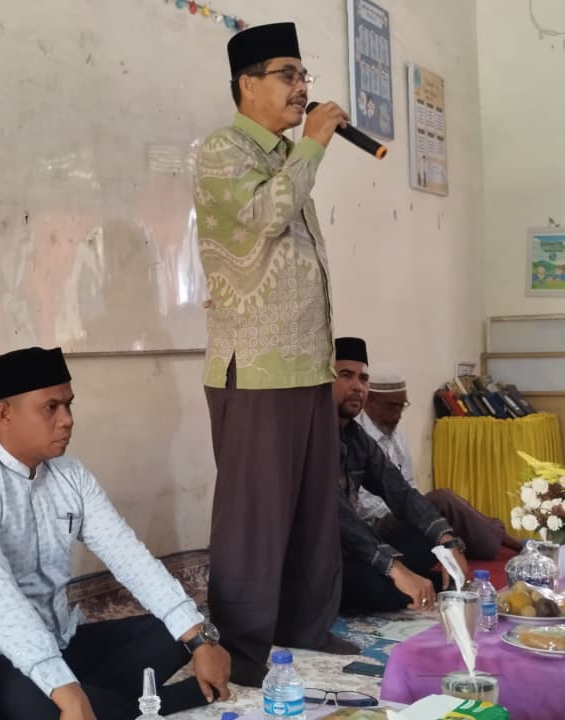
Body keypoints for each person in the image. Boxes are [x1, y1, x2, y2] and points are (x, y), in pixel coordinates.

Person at [0, 347, 231, 720]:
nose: (67, 420)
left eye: (68, 405)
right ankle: (164, 700)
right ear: (4, 413)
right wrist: (61, 687)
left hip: (61, 642)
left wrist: (199, 637)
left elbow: (128, 556)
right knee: (40, 705)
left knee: (174, 634)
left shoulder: (70, 475)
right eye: (50, 407)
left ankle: (98, 703)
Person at [193, 21, 357, 685]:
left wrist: (302, 149)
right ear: (247, 84)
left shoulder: (287, 156)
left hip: (306, 364)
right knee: (254, 524)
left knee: (314, 515)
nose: (301, 88)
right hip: (255, 368)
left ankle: (307, 635)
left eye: (302, 75)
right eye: (287, 75)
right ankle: (245, 653)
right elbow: (266, 216)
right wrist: (313, 145)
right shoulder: (223, 150)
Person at [331, 338, 470, 615]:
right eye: (346, 375)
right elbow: (340, 519)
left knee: (428, 537)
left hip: (356, 551)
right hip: (316, 562)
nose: (357, 386)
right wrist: (395, 568)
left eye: (363, 379)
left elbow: (401, 492)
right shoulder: (307, 439)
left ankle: (415, 584)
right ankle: (422, 584)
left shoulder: (357, 438)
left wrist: (447, 542)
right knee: (372, 585)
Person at [358, 372, 522, 561]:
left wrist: (419, 508)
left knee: (444, 504)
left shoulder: (396, 432)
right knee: (442, 500)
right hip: (372, 524)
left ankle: (500, 538)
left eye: (401, 406)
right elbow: (364, 505)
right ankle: (514, 544)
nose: (398, 414)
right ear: (368, 402)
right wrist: (413, 510)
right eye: (391, 406)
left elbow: (408, 482)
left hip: (401, 511)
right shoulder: (357, 437)